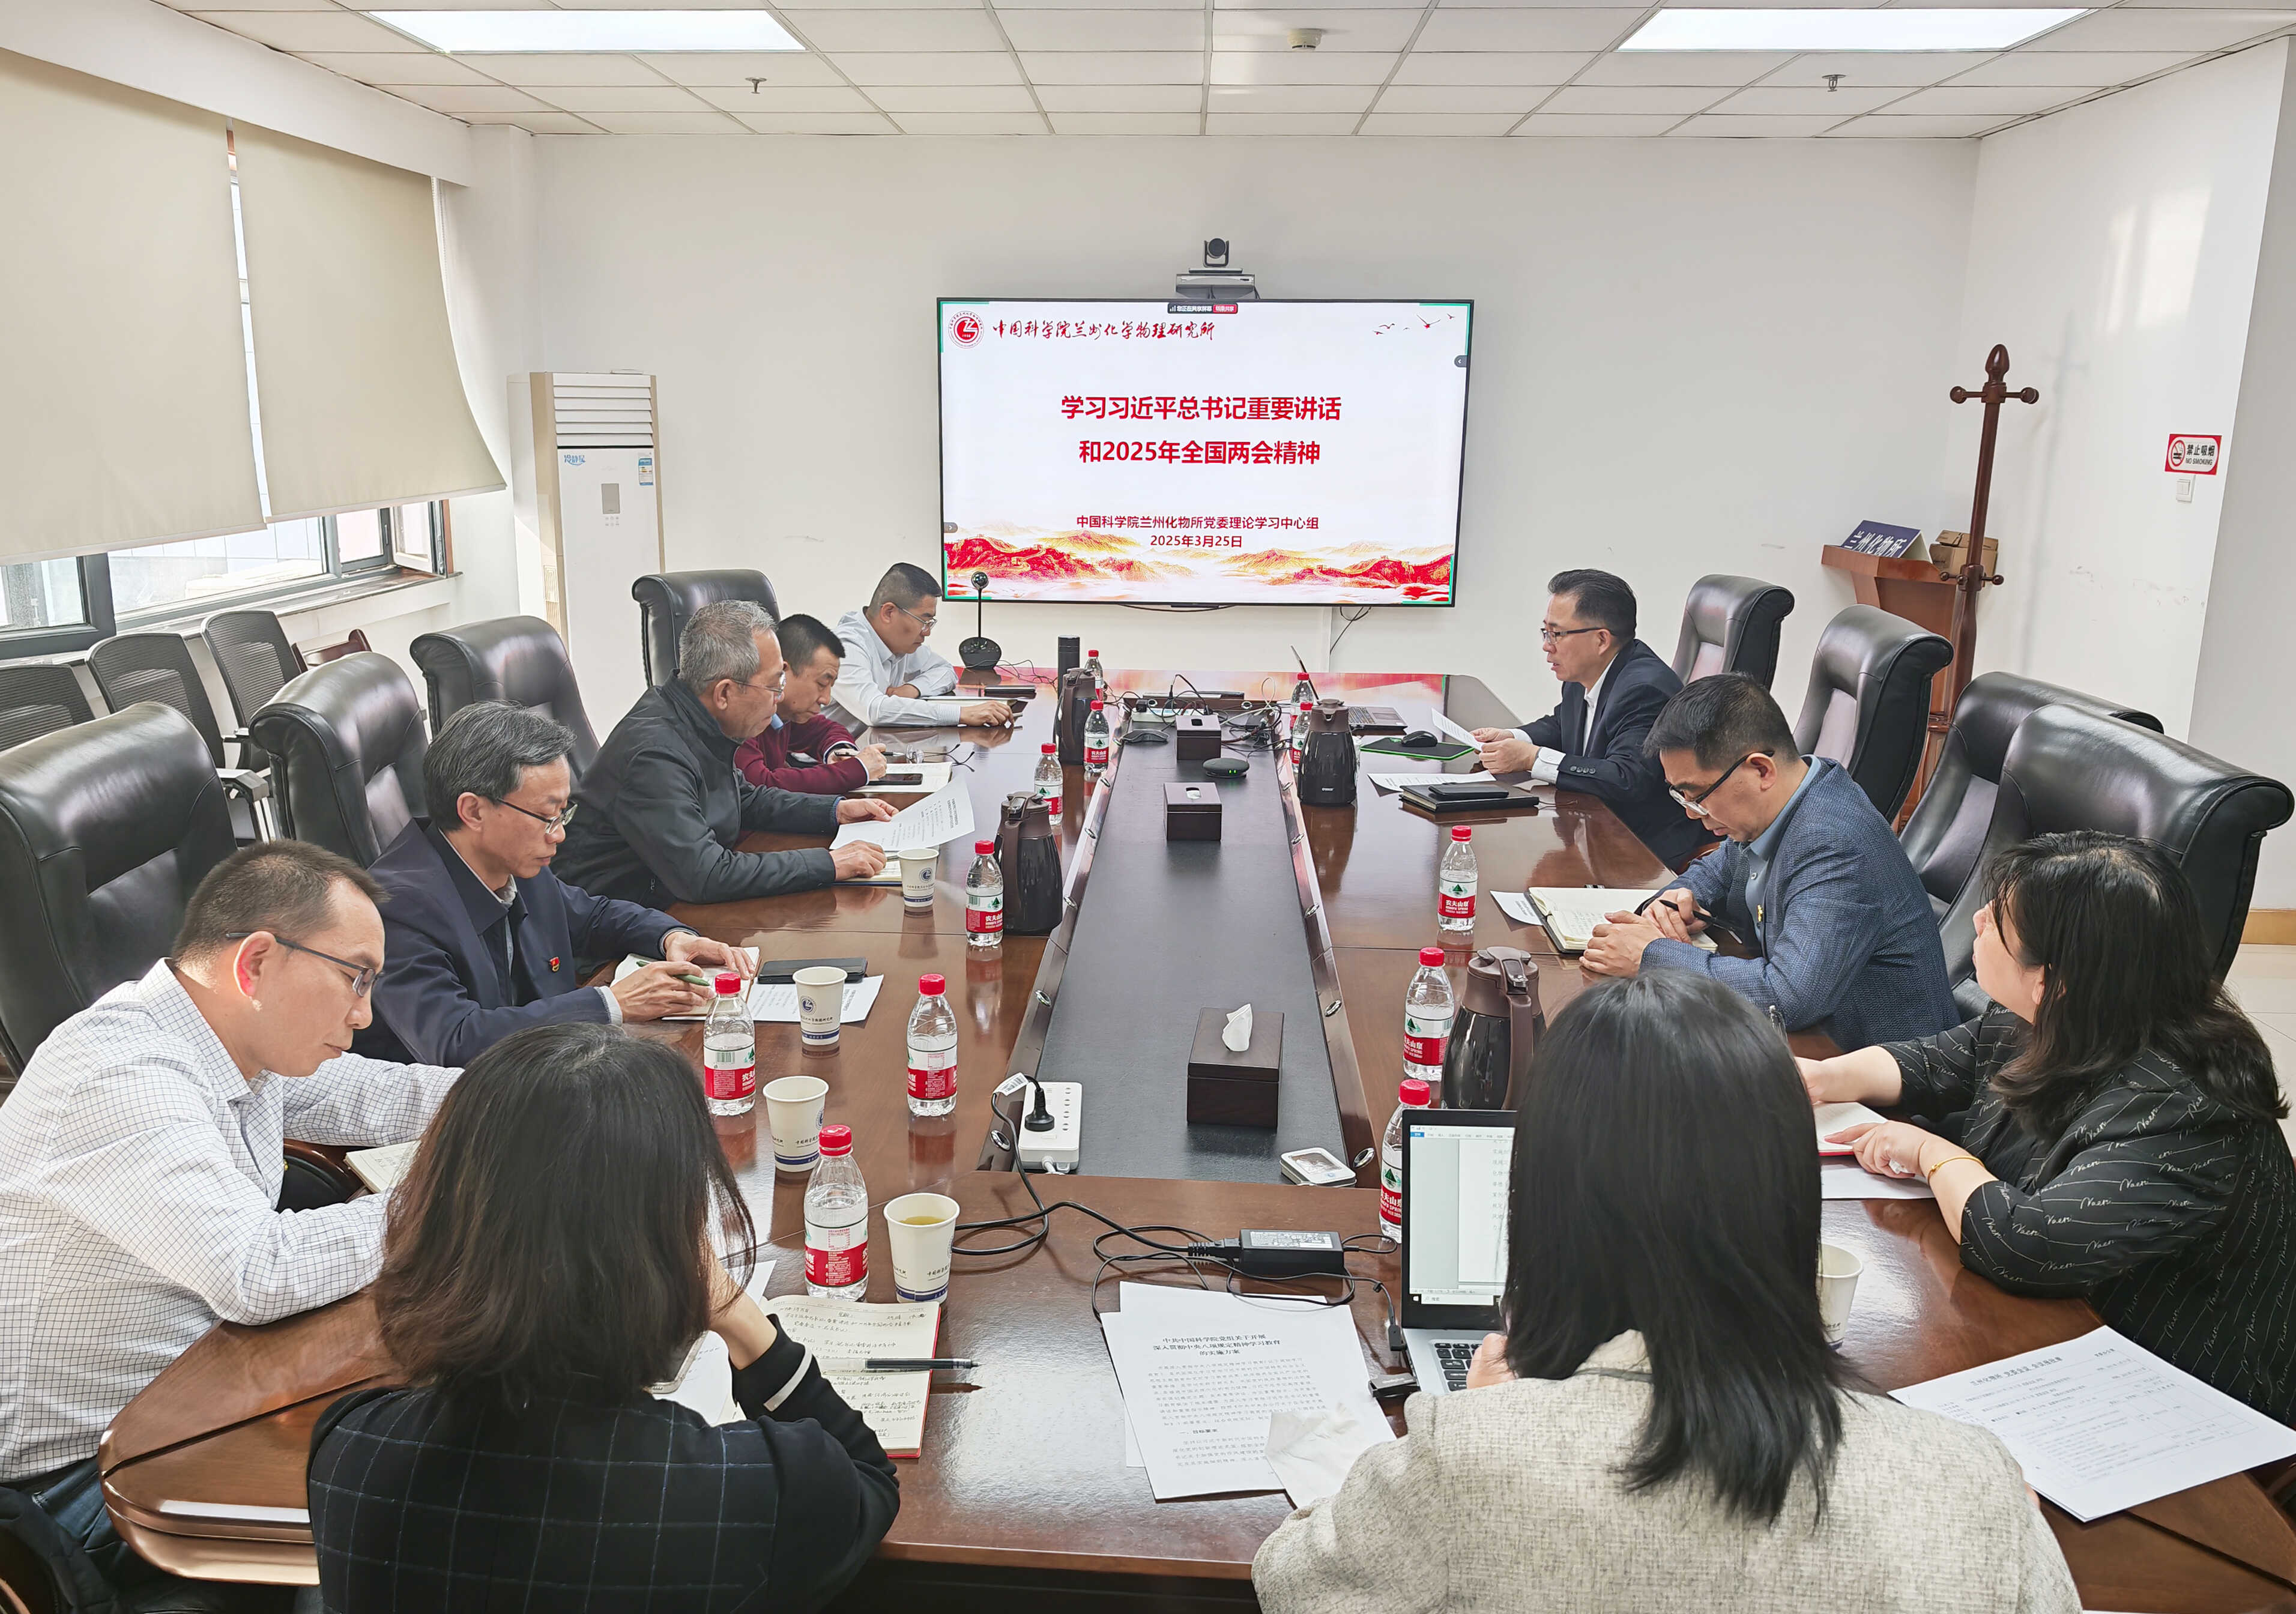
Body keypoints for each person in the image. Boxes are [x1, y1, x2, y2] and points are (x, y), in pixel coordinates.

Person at [1252, 972, 2077, 1614]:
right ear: (1788, 1195)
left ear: (1545, 1204)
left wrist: (1493, 1420)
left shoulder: (1465, 1462)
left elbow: (1292, 1582)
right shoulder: (1974, 1486)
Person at [0, 841, 459, 1601]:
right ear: (256, 964)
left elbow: (384, 1095)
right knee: (414, 1509)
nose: (364, 1013)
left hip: (197, 1390)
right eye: (355, 977)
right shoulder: (121, 1074)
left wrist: (541, 1094)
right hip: (83, 1485)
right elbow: (257, 1272)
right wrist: (462, 1197)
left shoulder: (230, 1043)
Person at [308, 1021, 898, 1611]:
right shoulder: (746, 1491)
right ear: (666, 1247)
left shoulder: (349, 1448)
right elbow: (866, 1479)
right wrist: (738, 1316)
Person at [1807, 832, 2296, 1424]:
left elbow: (2025, 1244)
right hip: (2058, 1327)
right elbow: (1934, 1064)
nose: (1977, 919)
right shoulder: (2067, 1016)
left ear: (2051, 981)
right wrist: (1823, 1077)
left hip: (2181, 1396)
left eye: (1998, 921)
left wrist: (1934, 1156)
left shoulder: (2183, 1107)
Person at [357, 701, 755, 1068]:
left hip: (545, 1074)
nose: (559, 835)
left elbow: (594, 917)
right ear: (473, 810)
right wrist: (611, 1004)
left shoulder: (513, 861)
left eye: (563, 814)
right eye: (547, 817)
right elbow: (454, 1041)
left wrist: (670, 937)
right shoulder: (398, 907)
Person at [1582, 672, 1956, 1050]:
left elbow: (1788, 997)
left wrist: (1652, 956)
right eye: (1681, 796)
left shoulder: (1834, 844)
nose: (1692, 814)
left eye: (1697, 795)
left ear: (1761, 770)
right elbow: (1715, 870)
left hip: (1874, 1067)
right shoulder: (1782, 801)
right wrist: (1678, 900)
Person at [557, 599, 896, 907]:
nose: (780, 698)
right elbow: (706, 875)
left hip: (665, 905)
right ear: (724, 693)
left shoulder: (695, 719)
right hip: (612, 927)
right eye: (774, 685)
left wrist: (835, 811)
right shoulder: (655, 754)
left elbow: (744, 799)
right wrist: (829, 863)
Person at [1471, 569, 1709, 868]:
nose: (1547, 645)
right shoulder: (1584, 673)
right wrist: (1514, 737)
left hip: (1639, 855)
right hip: (1593, 832)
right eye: (1546, 632)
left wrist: (1532, 759)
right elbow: (1564, 724)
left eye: (1557, 634)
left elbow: (1627, 777)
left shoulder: (1644, 689)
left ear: (1601, 640)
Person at [829, 562, 1014, 730]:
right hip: (825, 755)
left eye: (931, 623)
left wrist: (912, 689)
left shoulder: (898, 643)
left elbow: (945, 671)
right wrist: (962, 714)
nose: (927, 632)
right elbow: (874, 710)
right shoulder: (845, 647)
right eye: (923, 621)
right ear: (889, 613)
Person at [734, 612, 889, 794]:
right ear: (783, 671)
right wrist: (856, 770)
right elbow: (760, 785)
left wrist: (841, 753)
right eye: (822, 684)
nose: (826, 699)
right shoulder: (742, 714)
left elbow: (826, 730)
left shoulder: (784, 714)